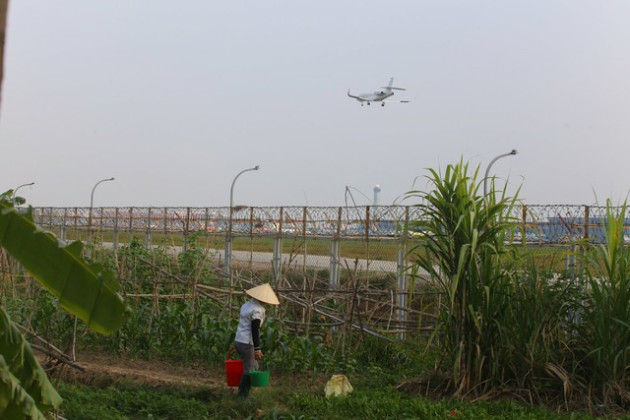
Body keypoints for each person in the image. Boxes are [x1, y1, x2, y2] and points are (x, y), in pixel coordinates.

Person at [234, 283, 280, 398]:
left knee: (254, 365)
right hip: (247, 343)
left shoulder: (246, 305)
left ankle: (245, 392)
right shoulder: (258, 310)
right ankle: (242, 396)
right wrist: (257, 348)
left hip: (239, 340)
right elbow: (255, 329)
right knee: (249, 370)